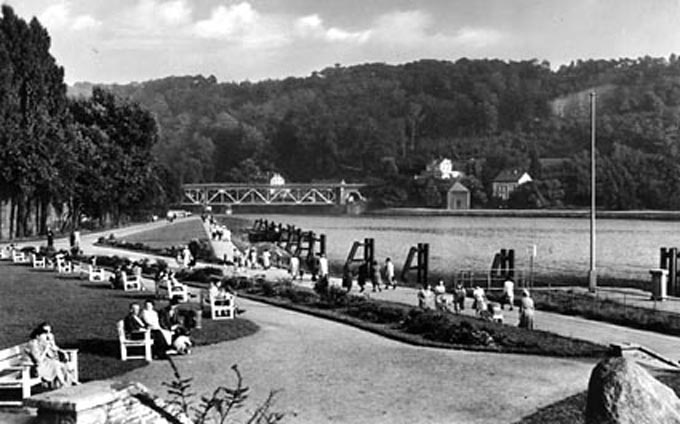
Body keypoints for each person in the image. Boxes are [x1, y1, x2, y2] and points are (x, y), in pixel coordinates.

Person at [26, 322, 77, 387]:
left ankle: (68, 383)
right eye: (45, 332)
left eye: (49, 331)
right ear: (38, 335)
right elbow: (38, 361)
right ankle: (64, 384)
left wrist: (62, 352)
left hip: (46, 364)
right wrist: (46, 349)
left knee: (63, 365)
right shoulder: (33, 344)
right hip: (33, 368)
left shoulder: (44, 341)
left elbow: (54, 349)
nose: (48, 334)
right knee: (56, 365)